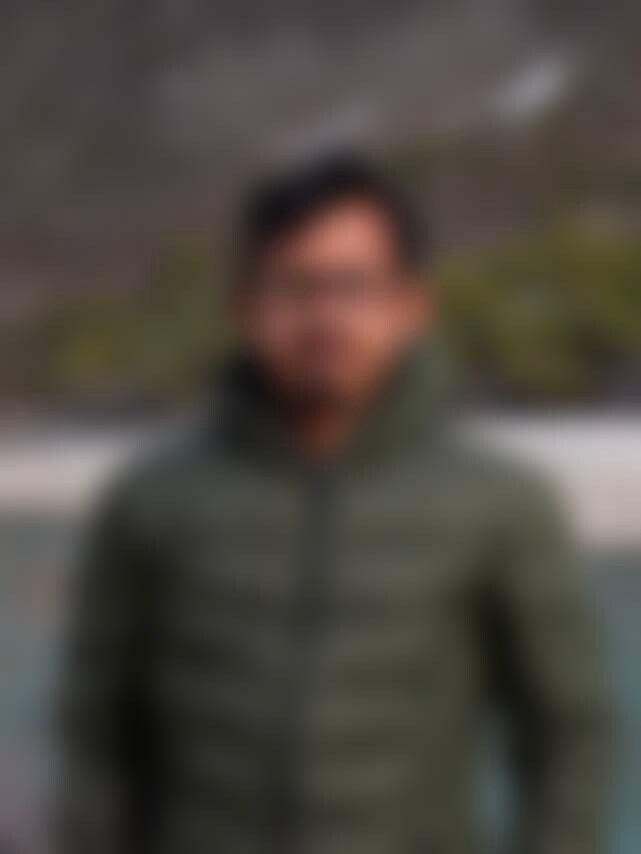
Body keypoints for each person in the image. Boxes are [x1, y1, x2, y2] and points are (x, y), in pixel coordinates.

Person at [59, 154, 610, 854]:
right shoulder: (151, 500)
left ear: (410, 306)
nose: (324, 317)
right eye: (294, 287)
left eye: (354, 286)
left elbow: (569, 731)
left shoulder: (501, 504)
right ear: (243, 307)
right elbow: (95, 731)